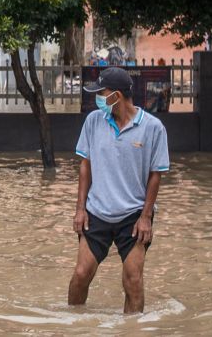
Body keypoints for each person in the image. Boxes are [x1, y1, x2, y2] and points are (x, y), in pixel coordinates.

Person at [69, 67, 170, 314]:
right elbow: (85, 167)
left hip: (133, 215)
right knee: (82, 274)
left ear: (116, 95)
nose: (98, 99)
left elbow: (155, 176)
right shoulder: (93, 121)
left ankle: (131, 329)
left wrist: (146, 217)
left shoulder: (153, 128)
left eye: (101, 93)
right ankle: (72, 324)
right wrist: (80, 210)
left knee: (133, 279)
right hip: (97, 211)